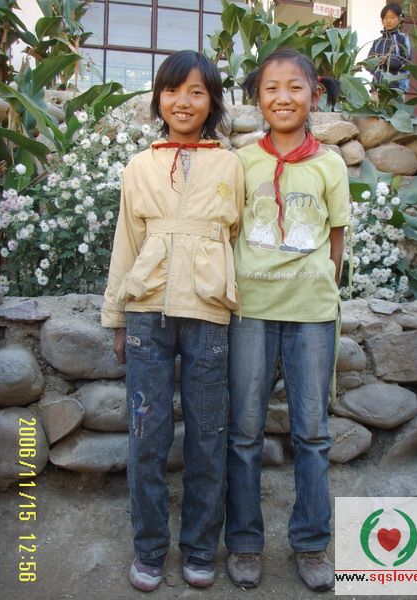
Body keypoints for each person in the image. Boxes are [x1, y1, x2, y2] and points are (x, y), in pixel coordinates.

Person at [101, 50, 244, 593]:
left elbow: (235, 239)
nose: (183, 102)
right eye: (172, 90)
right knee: (147, 437)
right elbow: (126, 242)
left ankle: (201, 547)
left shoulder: (230, 165)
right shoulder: (139, 166)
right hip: (147, 317)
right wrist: (117, 318)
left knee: (208, 437)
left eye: (196, 92)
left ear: (213, 102)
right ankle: (150, 548)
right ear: (158, 98)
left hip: (208, 315)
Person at [225, 49, 351, 593]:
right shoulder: (241, 163)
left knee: (313, 434)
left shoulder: (330, 164)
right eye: (271, 88)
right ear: (258, 98)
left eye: (295, 87)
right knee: (244, 432)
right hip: (251, 312)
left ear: (314, 94)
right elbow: (230, 230)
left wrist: (318, 284)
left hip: (311, 316)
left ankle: (312, 543)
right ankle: (245, 543)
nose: (283, 97)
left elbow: (336, 238)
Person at [367, 3, 412, 93]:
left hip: (397, 89)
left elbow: (406, 63)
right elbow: (369, 63)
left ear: (400, 19)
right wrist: (369, 64)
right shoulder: (377, 42)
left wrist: (387, 61)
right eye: (385, 18)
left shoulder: (403, 39)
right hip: (376, 88)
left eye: (392, 17)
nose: (388, 21)